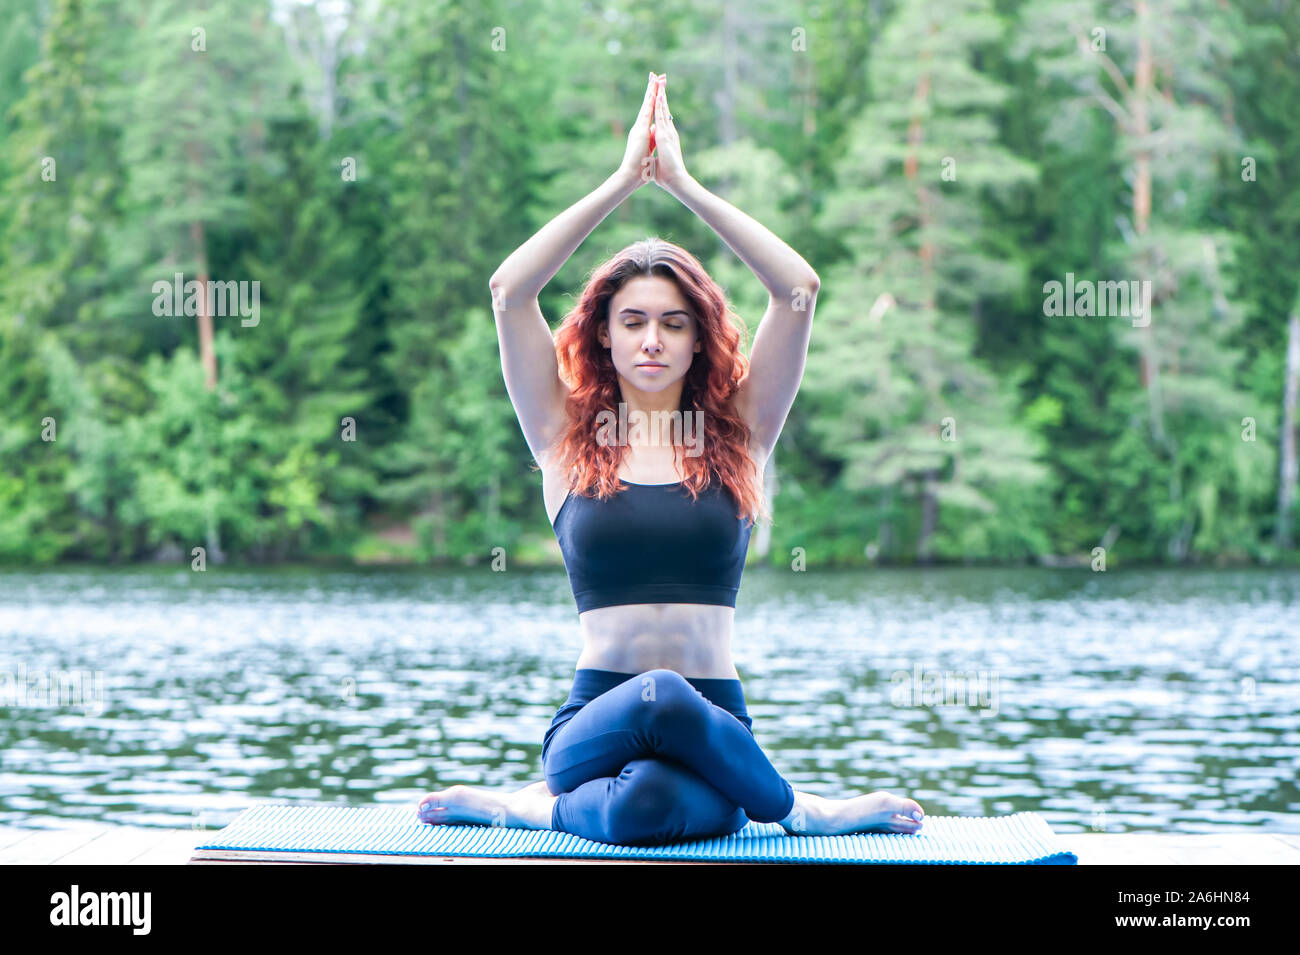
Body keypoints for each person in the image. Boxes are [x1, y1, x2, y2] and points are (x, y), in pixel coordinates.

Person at [417, 72, 924, 845]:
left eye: (673, 322)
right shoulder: (561, 434)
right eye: (633, 321)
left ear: (698, 336)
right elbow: (508, 291)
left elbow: (798, 290)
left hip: (716, 725)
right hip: (594, 722)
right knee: (654, 695)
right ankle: (797, 809)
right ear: (604, 335)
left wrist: (682, 184)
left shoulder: (742, 432)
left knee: (646, 806)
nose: (652, 339)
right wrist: (624, 182)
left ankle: (526, 808)